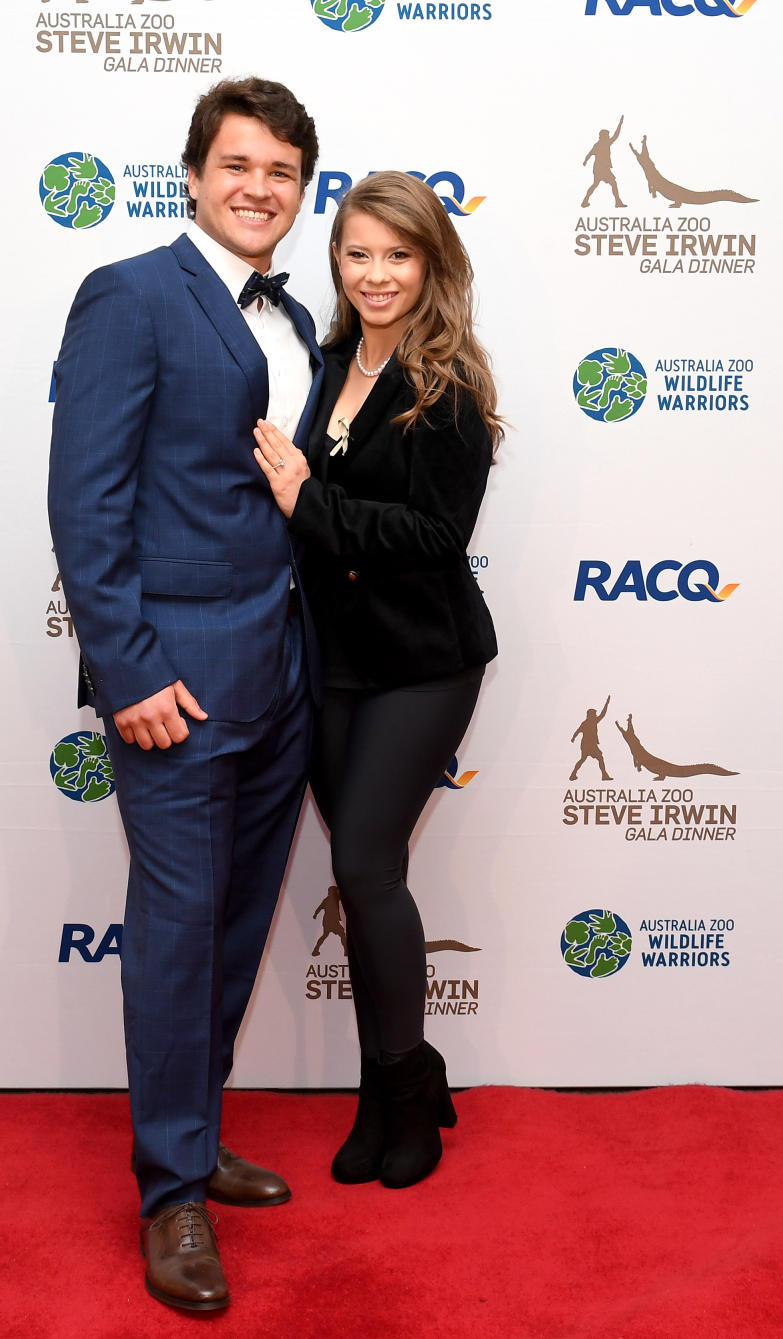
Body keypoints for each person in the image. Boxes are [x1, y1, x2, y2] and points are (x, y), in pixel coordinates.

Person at [48, 78, 322, 1313]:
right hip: (174, 687)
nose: (258, 187)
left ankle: (199, 1135)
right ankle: (170, 1196)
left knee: (234, 928)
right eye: (238, 164)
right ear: (195, 174)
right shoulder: (132, 294)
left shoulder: (301, 318)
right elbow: (86, 502)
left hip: (280, 677)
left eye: (282, 170)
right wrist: (129, 670)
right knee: (172, 935)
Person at [253, 170, 502, 1190]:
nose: (376, 273)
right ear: (338, 260)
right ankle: (394, 1081)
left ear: (432, 262)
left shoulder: (451, 385)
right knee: (362, 882)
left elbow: (436, 537)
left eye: (397, 254)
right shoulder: (325, 365)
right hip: (331, 661)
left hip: (423, 662)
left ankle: (400, 1091)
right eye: (358, 253)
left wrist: (309, 502)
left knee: (364, 865)